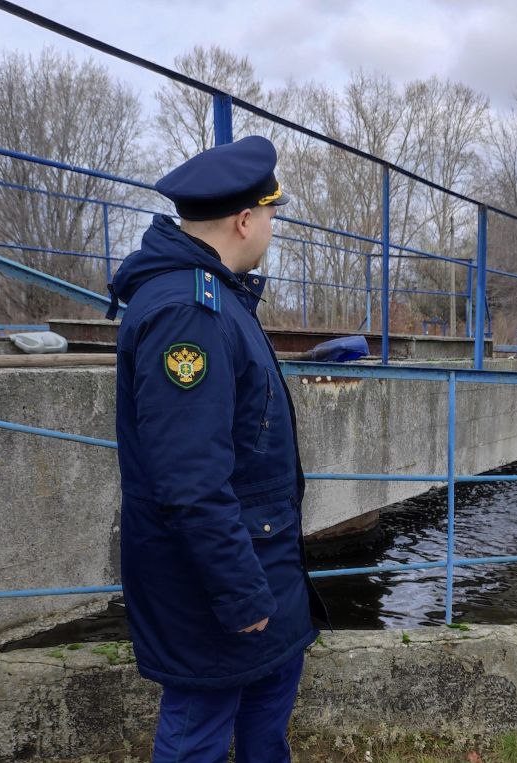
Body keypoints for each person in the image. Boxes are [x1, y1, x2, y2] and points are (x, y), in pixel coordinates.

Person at [109, 135, 327, 762]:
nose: (271, 229)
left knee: (266, 717)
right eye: (270, 215)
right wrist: (239, 593)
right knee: (198, 732)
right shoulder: (189, 312)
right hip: (220, 584)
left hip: (259, 567)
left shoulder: (216, 294)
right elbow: (190, 478)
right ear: (244, 219)